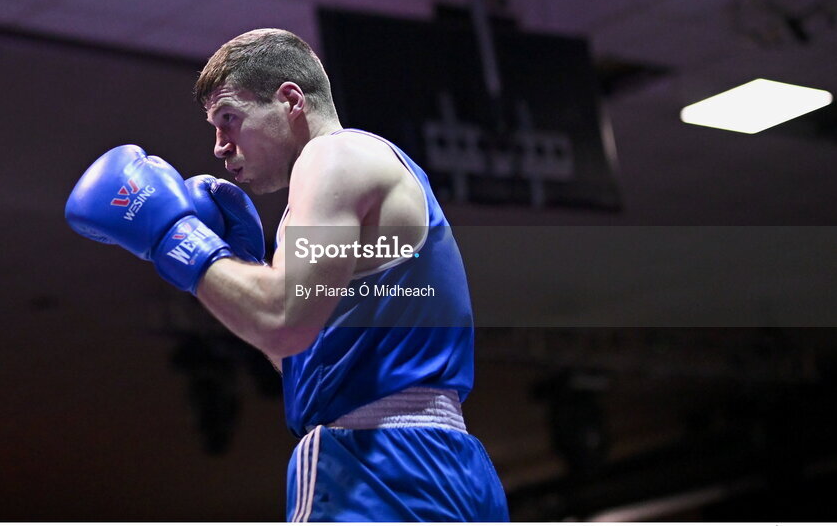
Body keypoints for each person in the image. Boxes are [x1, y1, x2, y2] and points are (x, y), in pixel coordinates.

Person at [65, 28, 508, 521]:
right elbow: (294, 347)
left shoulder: (333, 157)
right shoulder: (360, 172)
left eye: (228, 118)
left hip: (376, 465)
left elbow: (282, 320)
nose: (219, 146)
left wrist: (174, 237)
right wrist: (246, 271)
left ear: (290, 100)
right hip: (450, 467)